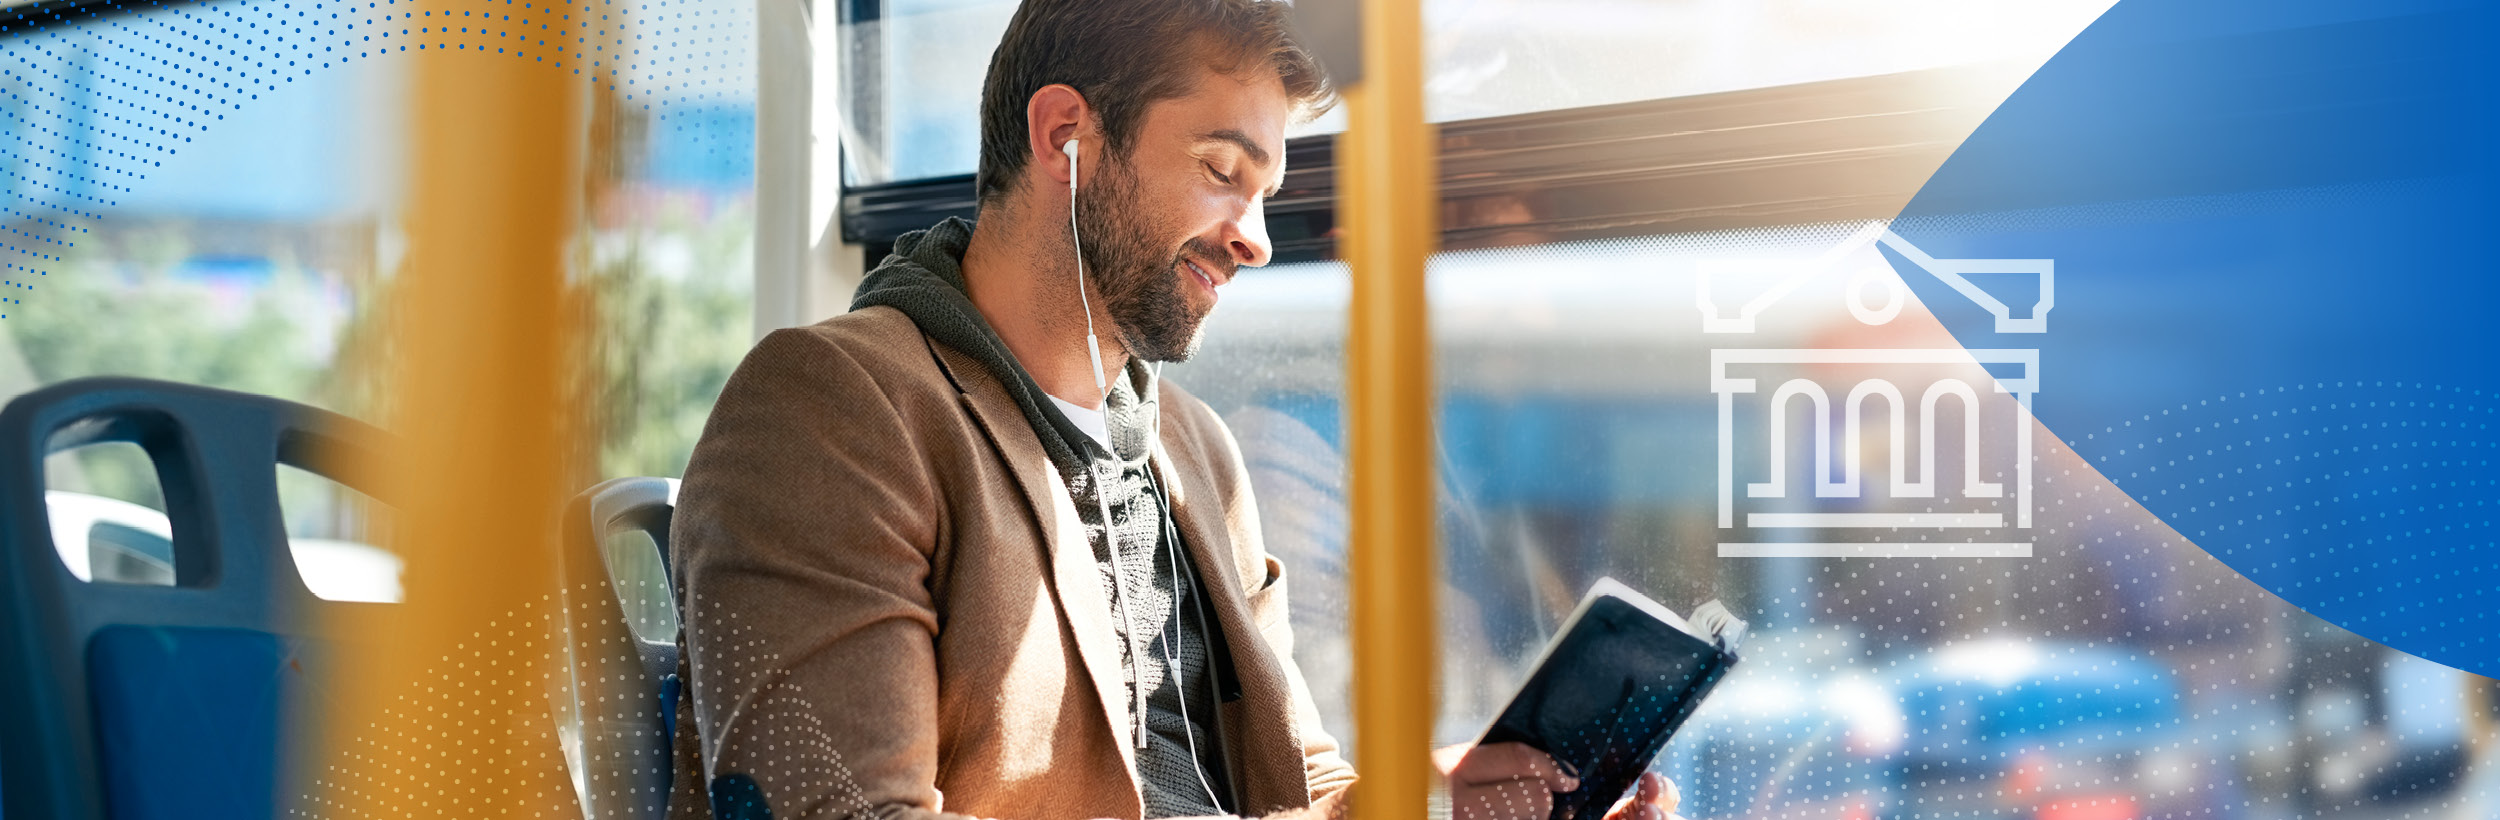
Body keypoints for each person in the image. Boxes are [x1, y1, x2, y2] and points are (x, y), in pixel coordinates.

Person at [661, 2, 1683, 820]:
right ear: (1065, 135)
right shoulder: (834, 408)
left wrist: (1435, 797)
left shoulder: (1193, 450)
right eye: (1222, 172)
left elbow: (1297, 784)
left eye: (1265, 193)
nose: (1256, 240)